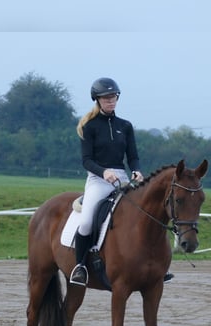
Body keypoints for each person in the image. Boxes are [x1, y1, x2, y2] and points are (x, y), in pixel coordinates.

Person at [71, 77, 173, 286]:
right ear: (97, 100)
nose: (111, 101)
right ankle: (80, 266)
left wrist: (136, 170)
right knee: (87, 221)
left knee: (148, 214)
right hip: (99, 180)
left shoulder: (125, 126)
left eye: (113, 97)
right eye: (106, 98)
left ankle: (157, 266)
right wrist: (104, 172)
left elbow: (133, 156)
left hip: (123, 178)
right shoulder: (89, 126)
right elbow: (86, 161)